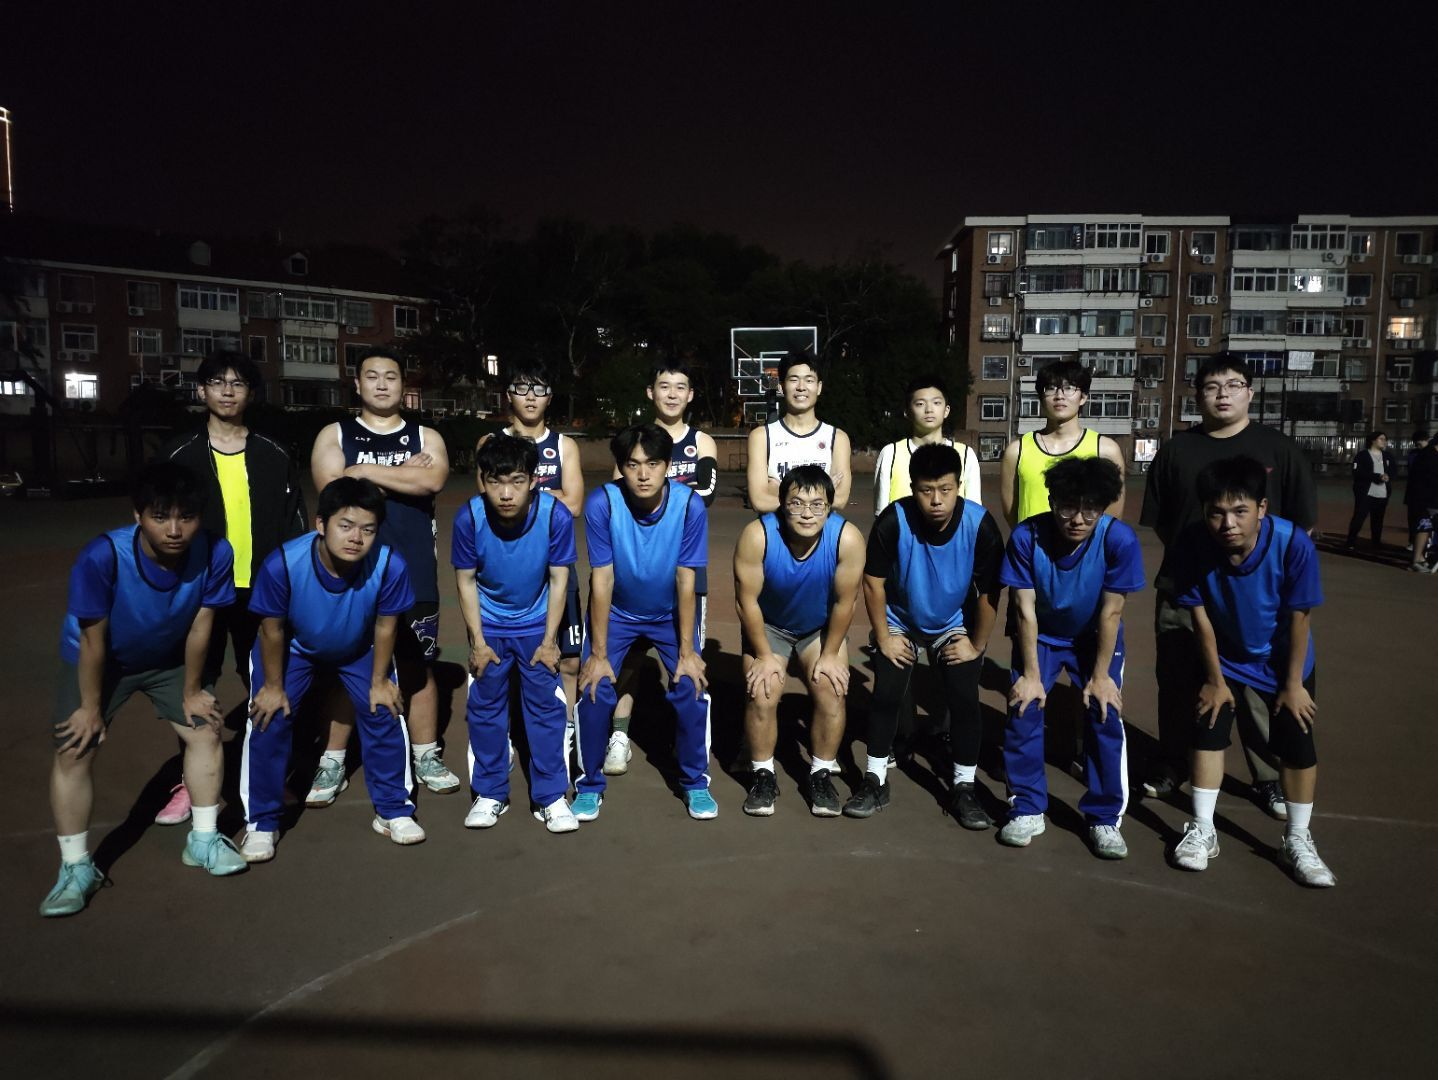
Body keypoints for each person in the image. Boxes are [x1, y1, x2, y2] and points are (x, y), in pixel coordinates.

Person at [41, 463, 244, 917]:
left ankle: (203, 840)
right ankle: (76, 868)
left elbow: (202, 624)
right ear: (137, 516)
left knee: (205, 728)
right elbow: (93, 639)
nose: (174, 530)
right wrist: (90, 707)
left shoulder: (215, 551)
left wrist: (192, 690)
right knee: (75, 747)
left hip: (168, 657)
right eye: (159, 516)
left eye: (186, 517)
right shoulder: (103, 556)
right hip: (103, 660)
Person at [1140, 353, 1317, 816]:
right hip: (1186, 588)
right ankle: (1173, 761)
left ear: (1250, 393)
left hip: (1257, 596)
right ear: (1198, 395)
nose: (1223, 394)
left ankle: (1267, 775)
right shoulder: (1178, 449)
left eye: (1233, 385)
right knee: (1179, 680)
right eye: (1212, 386)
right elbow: (1161, 519)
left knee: (1258, 686)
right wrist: (1198, 562)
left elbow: (1300, 524)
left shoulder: (1278, 449)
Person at [1168, 456, 1335, 887]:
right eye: (1216, 512)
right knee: (1208, 729)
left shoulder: (1292, 543)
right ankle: (1202, 829)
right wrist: (1215, 680)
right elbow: (1199, 615)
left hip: (1282, 658)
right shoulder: (1192, 542)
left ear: (1262, 508)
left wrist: (1293, 685)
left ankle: (1297, 838)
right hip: (1223, 654)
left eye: (1240, 511)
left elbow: (1299, 618)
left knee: (1297, 740)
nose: (1228, 523)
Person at [155, 349, 307, 826]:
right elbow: (158, 524)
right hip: (198, 591)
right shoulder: (178, 454)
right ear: (201, 390)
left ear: (251, 393)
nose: (227, 391)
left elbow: (296, 526)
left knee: (267, 683)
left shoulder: (274, 453)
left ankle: (269, 774)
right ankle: (192, 782)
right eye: (217, 382)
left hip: (261, 592)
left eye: (237, 383)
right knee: (195, 686)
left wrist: (292, 585)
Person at [240, 477, 423, 861]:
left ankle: (393, 810)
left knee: (384, 707)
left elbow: (386, 625)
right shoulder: (283, 564)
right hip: (293, 648)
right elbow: (271, 630)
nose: (356, 537)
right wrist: (273, 686)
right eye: (346, 525)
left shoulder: (389, 565)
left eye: (368, 529)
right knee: (268, 716)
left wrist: (379, 681)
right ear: (321, 524)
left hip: (358, 646)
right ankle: (262, 822)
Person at [310, 348, 459, 802]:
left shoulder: (426, 436)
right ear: (357, 384)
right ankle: (332, 760)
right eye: (371, 376)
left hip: (413, 571)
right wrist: (400, 473)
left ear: (402, 385)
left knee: (418, 665)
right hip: (352, 572)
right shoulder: (334, 434)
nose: (381, 384)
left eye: (390, 376)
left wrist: (361, 471)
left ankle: (426, 754)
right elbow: (334, 492)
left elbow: (432, 481)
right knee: (346, 665)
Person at [845, 444, 1005, 827]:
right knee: (886, 694)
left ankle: (964, 787)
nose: (936, 500)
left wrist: (976, 644)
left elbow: (989, 593)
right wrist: (884, 637)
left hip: (954, 624)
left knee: (964, 698)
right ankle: (875, 780)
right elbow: (873, 583)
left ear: (958, 486)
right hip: (901, 621)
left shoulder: (980, 525)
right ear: (913, 487)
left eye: (945, 490)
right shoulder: (893, 520)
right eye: (926, 490)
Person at [998, 457, 1145, 858]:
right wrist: (1031, 675)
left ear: (1104, 508)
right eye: (1067, 507)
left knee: (1104, 710)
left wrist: (1101, 676)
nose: (1077, 519)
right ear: (1051, 501)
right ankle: (1027, 808)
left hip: (1093, 636)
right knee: (1024, 707)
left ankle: (1103, 817)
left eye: (1090, 509)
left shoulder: (1118, 540)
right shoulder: (1027, 536)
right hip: (1041, 634)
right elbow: (1023, 609)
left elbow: (1112, 612)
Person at [574, 424, 712, 820]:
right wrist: (599, 654)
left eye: (652, 464)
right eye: (632, 464)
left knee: (692, 686)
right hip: (617, 612)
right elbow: (602, 579)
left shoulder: (689, 506)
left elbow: (686, 579)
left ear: (667, 465)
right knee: (594, 686)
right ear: (620, 467)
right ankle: (588, 785)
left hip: (669, 613)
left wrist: (686, 652)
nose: (643, 474)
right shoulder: (603, 503)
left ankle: (695, 783)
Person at [452, 435, 578, 833]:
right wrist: (478, 642)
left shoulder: (555, 516)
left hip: (536, 625)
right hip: (489, 625)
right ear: (483, 480)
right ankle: (490, 793)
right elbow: (465, 580)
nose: (506, 494)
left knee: (546, 710)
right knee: (486, 709)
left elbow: (559, 579)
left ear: (534, 480)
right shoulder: (469, 518)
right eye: (495, 482)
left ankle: (551, 796)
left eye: (517, 481)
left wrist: (550, 641)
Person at [605, 363, 719, 776]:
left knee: (687, 663)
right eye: (664, 386)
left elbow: (705, 493)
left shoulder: (701, 440)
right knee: (629, 661)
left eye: (680, 387)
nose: (672, 394)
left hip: (685, 569)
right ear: (650, 392)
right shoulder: (633, 440)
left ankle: (685, 742)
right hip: (636, 566)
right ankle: (619, 735)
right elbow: (620, 498)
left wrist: (663, 496)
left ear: (691, 395)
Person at [733, 465, 865, 817]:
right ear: (782, 504)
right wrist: (763, 655)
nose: (807, 513)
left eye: (817, 505)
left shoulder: (847, 538)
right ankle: (763, 774)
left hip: (818, 630)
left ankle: (820, 773)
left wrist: (831, 653)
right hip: (770, 626)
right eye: (797, 503)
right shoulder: (757, 535)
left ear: (830, 507)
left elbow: (845, 603)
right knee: (763, 690)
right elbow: (746, 602)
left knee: (831, 687)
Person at [480, 362, 586, 745]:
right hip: (507, 570)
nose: (530, 397)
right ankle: (508, 735)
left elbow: (575, 504)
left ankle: (565, 730)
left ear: (549, 397)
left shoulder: (564, 446)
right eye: (522, 388)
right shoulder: (490, 443)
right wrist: (549, 495)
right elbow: (489, 502)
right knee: (503, 661)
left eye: (539, 389)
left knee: (569, 659)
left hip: (558, 567)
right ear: (508, 394)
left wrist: (525, 496)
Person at [999, 358, 1126, 529]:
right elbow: (1011, 513)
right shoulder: (1017, 451)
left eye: (1069, 388)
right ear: (1041, 397)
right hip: (1033, 544)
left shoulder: (1106, 450)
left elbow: (1113, 516)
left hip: (1085, 546)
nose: (1059, 396)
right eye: (1051, 388)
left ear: (1083, 397)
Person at [746, 350, 852, 513]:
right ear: (781, 387)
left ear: (819, 387)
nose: (801, 387)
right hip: (776, 526)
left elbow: (840, 499)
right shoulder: (761, 437)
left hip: (822, 528)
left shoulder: (837, 438)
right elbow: (759, 501)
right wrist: (823, 492)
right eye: (794, 380)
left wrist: (781, 492)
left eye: (809, 380)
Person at [873, 374, 981, 515]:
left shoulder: (966, 455)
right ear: (907, 412)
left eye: (936, 403)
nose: (929, 409)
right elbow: (881, 514)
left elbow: (974, 513)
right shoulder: (891, 453)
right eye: (920, 404)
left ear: (946, 410)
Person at [1345, 430, 1394, 550]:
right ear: (1373, 440)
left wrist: (1388, 476)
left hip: (1382, 494)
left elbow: (1394, 471)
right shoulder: (1362, 455)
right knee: (1359, 517)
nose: (1384, 441)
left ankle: (1376, 543)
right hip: (1366, 493)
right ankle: (1350, 542)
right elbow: (1357, 472)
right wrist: (1377, 477)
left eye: (1385, 439)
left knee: (1378, 520)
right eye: (1381, 439)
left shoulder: (1387, 456)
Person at [1407, 433, 1438, 573]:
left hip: (1424, 498)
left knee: (1425, 528)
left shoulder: (1428, 454)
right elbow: (1430, 479)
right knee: (1424, 527)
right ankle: (1417, 560)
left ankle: (1420, 558)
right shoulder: (1430, 456)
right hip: (1425, 499)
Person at [1403, 430, 1430, 554]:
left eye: (1420, 444)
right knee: (1413, 519)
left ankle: (1424, 545)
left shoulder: (1431, 454)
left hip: (1426, 494)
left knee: (1424, 521)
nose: (1419, 446)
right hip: (1414, 492)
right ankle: (1413, 542)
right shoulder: (1414, 454)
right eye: (1417, 444)